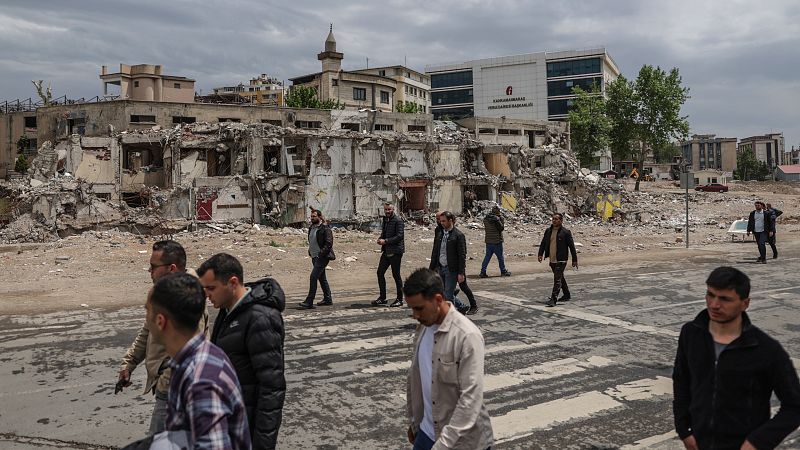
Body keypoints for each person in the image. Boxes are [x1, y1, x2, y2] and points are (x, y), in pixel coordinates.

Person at [672, 266, 800, 450]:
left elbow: (794, 406)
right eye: (710, 294)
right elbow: (682, 382)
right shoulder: (690, 334)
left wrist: (757, 442)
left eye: (724, 299)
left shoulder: (766, 349)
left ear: (745, 304)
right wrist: (684, 430)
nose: (714, 304)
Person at [147, 272, 251, 450]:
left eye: (147, 311)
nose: (145, 318)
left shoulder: (200, 380)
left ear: (160, 321)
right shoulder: (194, 358)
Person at [117, 240, 209, 436]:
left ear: (172, 268)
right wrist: (129, 363)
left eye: (153, 267)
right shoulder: (165, 294)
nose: (150, 271)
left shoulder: (188, 299)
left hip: (173, 388)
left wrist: (165, 383)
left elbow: (192, 351)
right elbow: (146, 331)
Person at [198, 253, 286, 450]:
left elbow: (272, 388)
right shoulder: (228, 311)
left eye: (211, 288)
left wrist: (262, 444)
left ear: (232, 282)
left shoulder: (260, 319)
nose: (206, 294)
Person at [404, 268, 493, 450]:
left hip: (463, 442)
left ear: (438, 300)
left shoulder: (466, 336)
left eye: (419, 308)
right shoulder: (423, 328)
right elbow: (417, 377)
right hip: (428, 432)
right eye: (412, 309)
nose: (415, 315)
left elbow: (470, 399)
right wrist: (415, 421)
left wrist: (442, 446)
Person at [429, 211, 471, 315]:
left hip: (451, 269)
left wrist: (461, 272)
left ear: (450, 221)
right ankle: (461, 307)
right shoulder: (440, 233)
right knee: (442, 293)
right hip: (440, 267)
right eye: (440, 221)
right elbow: (435, 251)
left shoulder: (458, 235)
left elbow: (462, 255)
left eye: (443, 221)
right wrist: (432, 268)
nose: (441, 223)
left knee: (448, 294)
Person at [537, 213, 578, 307]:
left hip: (561, 259)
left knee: (557, 280)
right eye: (553, 219)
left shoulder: (566, 232)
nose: (554, 221)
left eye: (556, 219)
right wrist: (540, 254)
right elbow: (543, 243)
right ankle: (566, 294)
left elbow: (571, 247)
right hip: (552, 259)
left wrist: (574, 260)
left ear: (561, 221)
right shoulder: (548, 231)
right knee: (560, 278)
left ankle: (553, 299)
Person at [299, 209, 335, 309]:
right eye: (311, 216)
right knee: (322, 278)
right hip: (314, 256)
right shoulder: (312, 227)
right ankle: (328, 299)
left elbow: (329, 243)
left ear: (319, 217)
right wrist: (310, 251)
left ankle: (309, 301)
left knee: (313, 277)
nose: (312, 218)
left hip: (322, 257)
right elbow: (311, 240)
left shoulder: (325, 228)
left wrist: (320, 254)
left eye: (314, 216)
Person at [372, 202, 405, 307]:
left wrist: (385, 241)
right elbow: (384, 233)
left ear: (393, 209)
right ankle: (382, 298)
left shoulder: (398, 221)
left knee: (396, 275)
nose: (387, 211)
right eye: (386, 209)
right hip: (386, 251)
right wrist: (380, 239)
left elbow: (399, 236)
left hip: (395, 252)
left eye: (389, 209)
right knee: (380, 273)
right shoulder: (385, 220)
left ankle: (399, 299)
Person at [480, 205, 511, 278]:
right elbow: (501, 228)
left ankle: (482, 272)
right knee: (500, 257)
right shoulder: (497, 219)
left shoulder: (486, 219)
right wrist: (501, 220)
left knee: (487, 257)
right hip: (497, 242)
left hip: (488, 241)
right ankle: (503, 271)